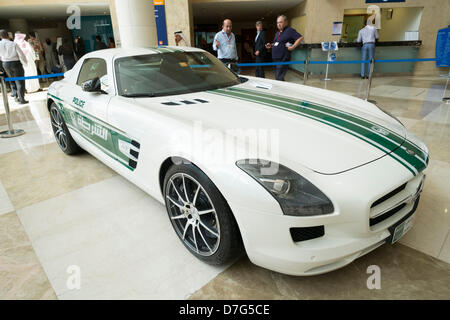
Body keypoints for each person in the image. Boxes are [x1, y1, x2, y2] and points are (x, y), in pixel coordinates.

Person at [265, 15, 303, 81]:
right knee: (279, 77)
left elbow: (300, 38)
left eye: (280, 22)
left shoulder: (290, 30)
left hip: (283, 58)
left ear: (285, 22)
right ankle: (282, 89)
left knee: (278, 77)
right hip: (275, 58)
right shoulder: (277, 32)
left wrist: (293, 47)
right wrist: (271, 45)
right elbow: (277, 43)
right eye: (277, 23)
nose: (278, 24)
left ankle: (279, 90)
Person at [0, 29, 28, 104]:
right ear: (8, 35)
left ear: (0, 36)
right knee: (20, 81)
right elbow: (21, 55)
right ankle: (21, 99)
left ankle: (15, 96)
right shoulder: (13, 44)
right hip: (16, 63)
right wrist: (25, 63)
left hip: (5, 64)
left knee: (12, 80)